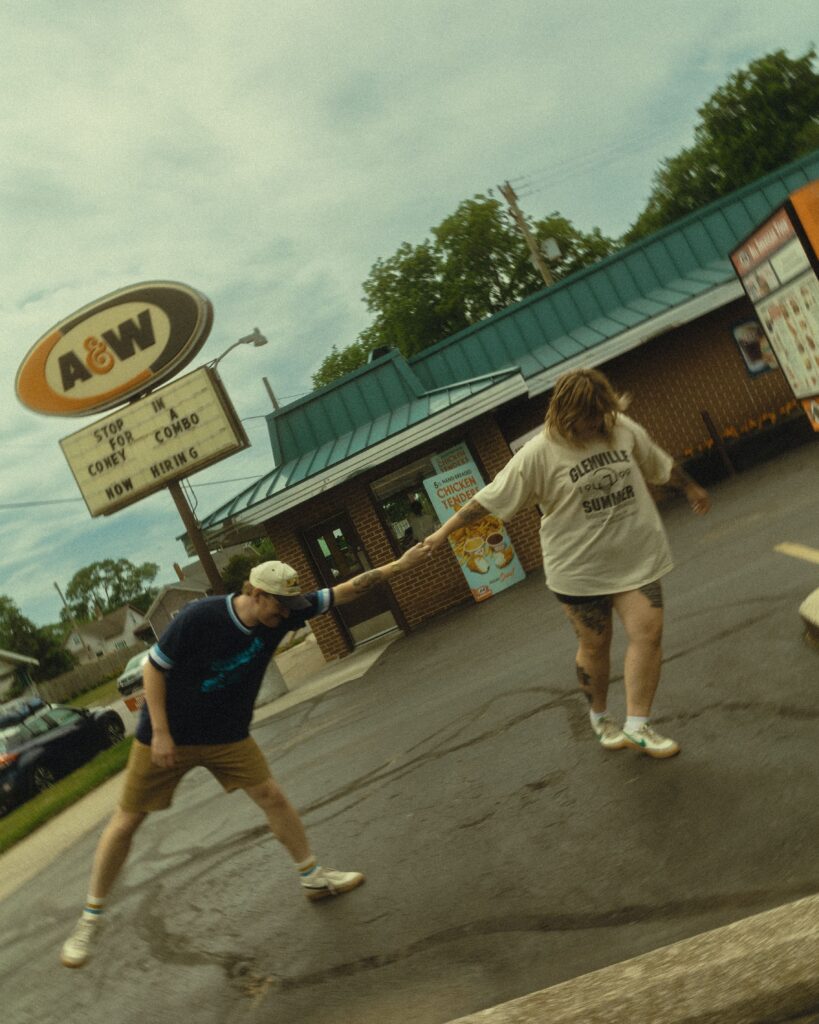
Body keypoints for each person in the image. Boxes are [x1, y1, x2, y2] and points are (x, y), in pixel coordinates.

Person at [60, 545, 430, 969]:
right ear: (255, 593)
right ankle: (90, 919)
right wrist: (160, 733)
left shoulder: (287, 609)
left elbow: (344, 590)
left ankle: (313, 878)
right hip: (168, 736)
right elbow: (154, 669)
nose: (288, 617)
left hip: (225, 734)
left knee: (270, 795)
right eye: (280, 606)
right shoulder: (200, 618)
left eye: (293, 607)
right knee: (127, 821)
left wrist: (401, 565)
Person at [424, 367, 710, 759]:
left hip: (634, 555)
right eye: (587, 417)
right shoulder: (538, 454)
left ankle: (638, 725)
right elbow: (489, 498)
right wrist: (442, 534)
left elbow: (657, 462)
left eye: (600, 415)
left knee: (649, 632)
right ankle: (599, 716)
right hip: (579, 570)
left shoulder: (620, 427)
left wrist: (691, 486)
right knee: (596, 646)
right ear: (564, 413)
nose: (595, 424)